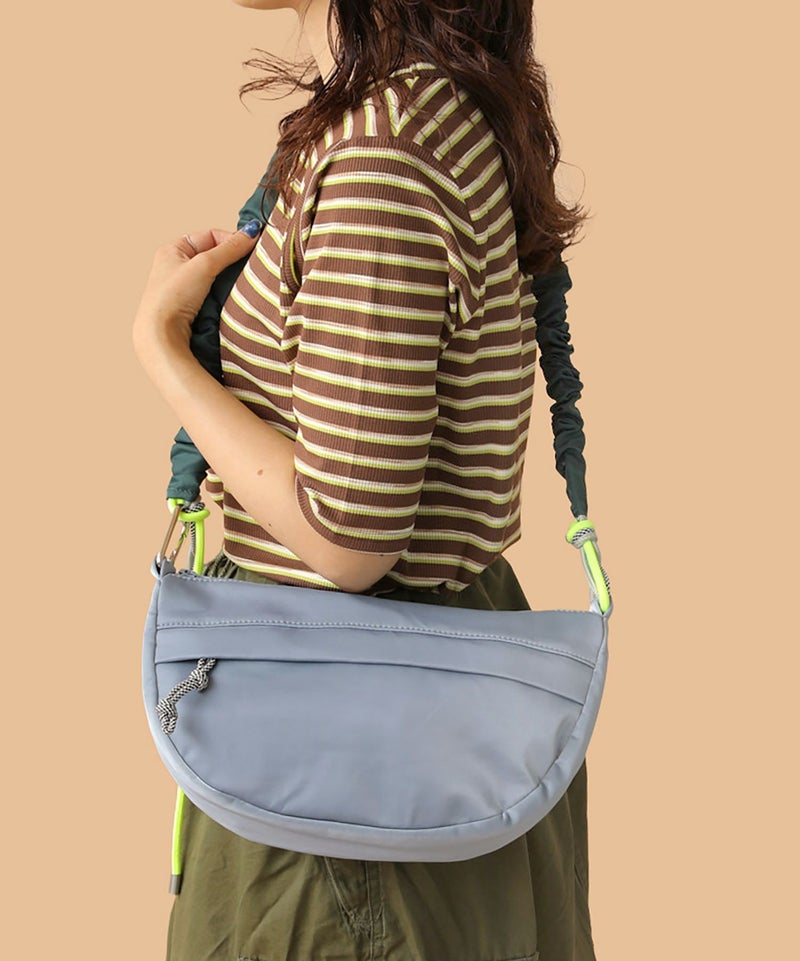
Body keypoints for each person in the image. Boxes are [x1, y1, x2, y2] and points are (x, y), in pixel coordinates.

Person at [132, 2, 596, 959]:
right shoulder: (419, 113)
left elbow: (348, 538)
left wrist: (164, 349)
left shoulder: (384, 153)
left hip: (341, 790)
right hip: (407, 739)